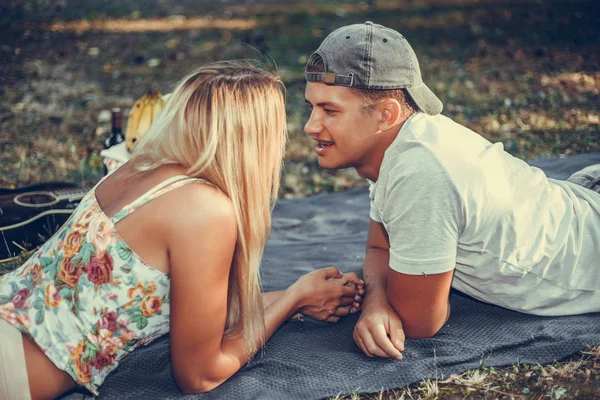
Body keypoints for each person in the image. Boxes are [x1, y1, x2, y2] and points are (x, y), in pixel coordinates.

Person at [0, 63, 364, 400]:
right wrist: (294, 299)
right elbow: (200, 374)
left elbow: (201, 311)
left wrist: (300, 292)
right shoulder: (205, 211)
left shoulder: (138, 168)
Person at [303, 22, 600, 360]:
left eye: (330, 110)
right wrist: (376, 300)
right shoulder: (398, 141)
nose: (310, 126)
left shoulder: (421, 172)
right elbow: (378, 247)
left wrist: (381, 301)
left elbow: (418, 323)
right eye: (311, 107)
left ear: (386, 114)